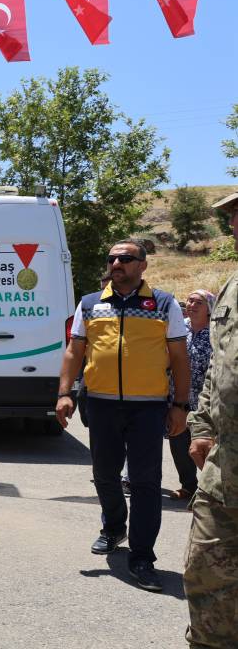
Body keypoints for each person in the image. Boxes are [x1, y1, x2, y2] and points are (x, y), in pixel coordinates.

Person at [56, 239, 190, 593]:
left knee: (145, 482)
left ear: (143, 265)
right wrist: (64, 393)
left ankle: (142, 557)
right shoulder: (89, 304)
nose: (117, 263)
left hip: (148, 407)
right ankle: (114, 527)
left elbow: (179, 357)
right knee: (104, 474)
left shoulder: (164, 303)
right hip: (100, 404)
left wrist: (181, 405)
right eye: (113, 258)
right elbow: (74, 351)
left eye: (126, 258)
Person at [183, 191, 238, 648]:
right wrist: (201, 428)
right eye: (234, 218)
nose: (235, 226)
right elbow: (217, 370)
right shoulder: (232, 288)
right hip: (224, 474)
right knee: (205, 578)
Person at [167, 289, 213, 502]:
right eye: (190, 301)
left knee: (204, 447)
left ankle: (209, 489)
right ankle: (188, 486)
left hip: (205, 402)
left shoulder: (216, 333)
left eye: (198, 302)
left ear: (209, 309)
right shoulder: (178, 329)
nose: (192, 305)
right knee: (178, 444)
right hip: (177, 399)